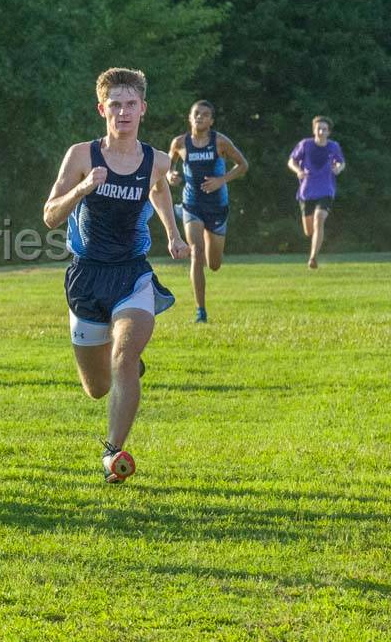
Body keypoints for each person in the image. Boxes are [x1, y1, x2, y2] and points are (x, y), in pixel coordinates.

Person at [43, 67, 189, 484]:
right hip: (86, 277)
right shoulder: (80, 156)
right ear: (101, 109)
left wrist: (174, 237)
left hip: (133, 275)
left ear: (142, 108)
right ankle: (119, 368)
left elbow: (159, 189)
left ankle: (112, 453)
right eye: (115, 105)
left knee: (125, 357)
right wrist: (83, 188)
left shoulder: (156, 160)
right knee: (97, 387)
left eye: (130, 104)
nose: (122, 112)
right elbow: (50, 217)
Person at [166, 100, 248, 323]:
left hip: (217, 208)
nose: (200, 117)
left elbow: (243, 165)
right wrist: (170, 177)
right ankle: (200, 311)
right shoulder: (179, 143)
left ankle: (207, 240)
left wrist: (221, 180)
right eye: (196, 114)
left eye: (204, 114)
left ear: (211, 120)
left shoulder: (220, 142)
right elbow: (168, 168)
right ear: (189, 118)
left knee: (214, 264)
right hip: (192, 204)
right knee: (196, 253)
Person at [288, 116, 345, 269]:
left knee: (319, 219)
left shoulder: (334, 146)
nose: (321, 132)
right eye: (318, 129)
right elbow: (291, 161)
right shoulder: (305, 145)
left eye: (324, 129)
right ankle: (316, 240)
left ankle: (313, 258)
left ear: (329, 132)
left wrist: (338, 168)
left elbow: (341, 162)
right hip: (307, 191)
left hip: (326, 189)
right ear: (314, 130)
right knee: (309, 231)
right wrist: (298, 170)